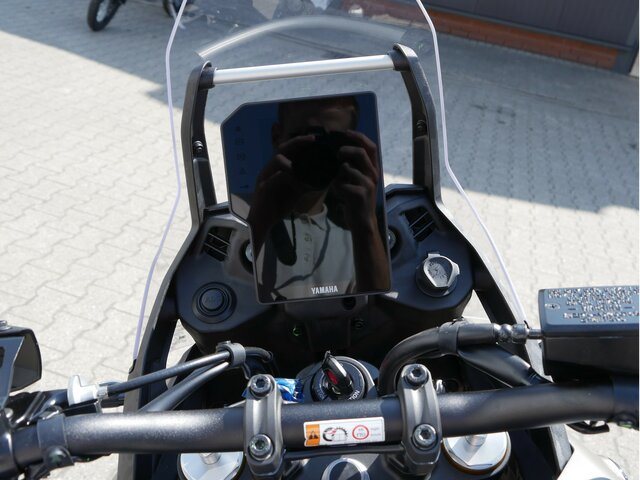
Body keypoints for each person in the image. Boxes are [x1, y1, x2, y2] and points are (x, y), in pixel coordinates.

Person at [246, 95, 389, 301]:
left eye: (330, 142)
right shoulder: (241, 215)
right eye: (305, 138)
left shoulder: (356, 243)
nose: (316, 152)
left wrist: (366, 224)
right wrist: (258, 222)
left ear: (349, 147)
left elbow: (378, 308)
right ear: (277, 137)